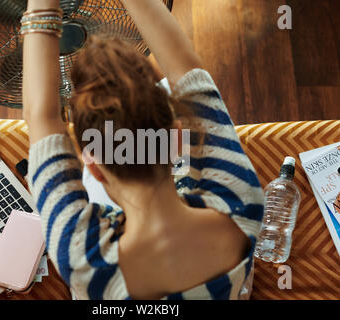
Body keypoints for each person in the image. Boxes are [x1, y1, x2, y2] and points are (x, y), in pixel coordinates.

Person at [22, 0, 264, 300]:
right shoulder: (242, 200)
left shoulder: (83, 260)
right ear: (177, 139)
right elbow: (187, 72)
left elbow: (42, 116)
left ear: (93, 167)